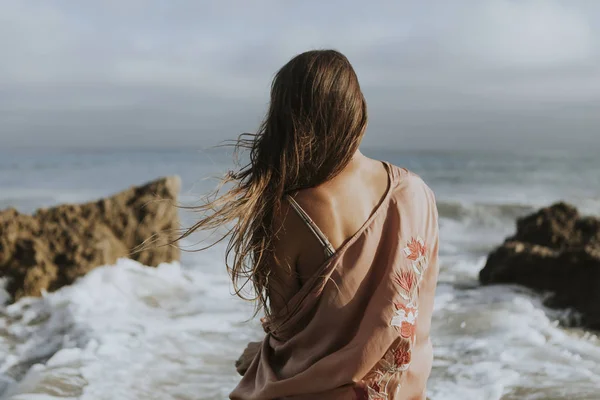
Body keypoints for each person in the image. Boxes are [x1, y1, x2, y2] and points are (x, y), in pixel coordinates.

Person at [182, 49, 439, 399]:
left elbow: (293, 339)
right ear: (357, 108)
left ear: (287, 120)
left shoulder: (288, 212)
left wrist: (260, 354)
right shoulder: (417, 194)